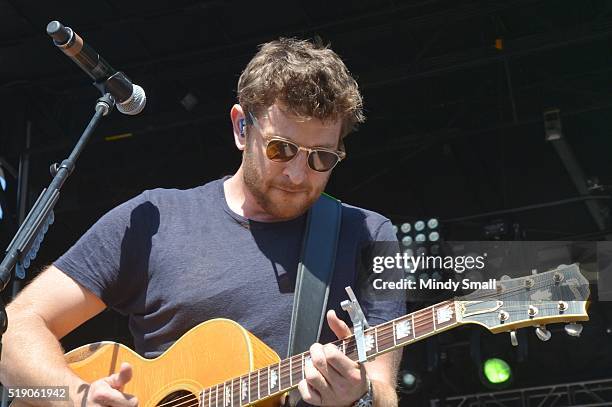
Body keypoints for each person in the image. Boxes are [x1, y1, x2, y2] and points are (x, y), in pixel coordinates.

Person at [0, 38, 405, 407]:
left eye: (321, 157)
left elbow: (385, 391)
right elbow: (15, 328)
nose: (298, 175)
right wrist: (75, 397)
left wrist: (361, 394)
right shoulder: (152, 220)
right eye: (282, 149)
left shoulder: (372, 237)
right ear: (241, 127)